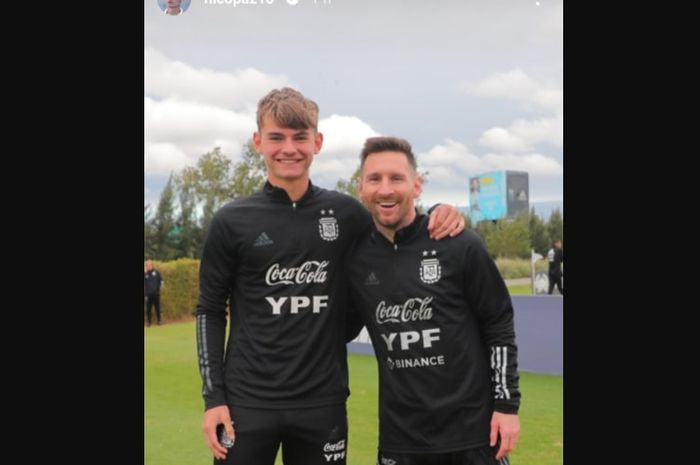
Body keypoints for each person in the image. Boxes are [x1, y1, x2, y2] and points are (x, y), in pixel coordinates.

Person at [195, 88, 466, 465]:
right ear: (258, 142)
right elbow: (209, 309)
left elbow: (398, 224)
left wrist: (441, 210)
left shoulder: (346, 214)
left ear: (317, 142)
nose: (289, 148)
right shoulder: (232, 221)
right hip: (246, 404)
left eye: (300, 137)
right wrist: (214, 398)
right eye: (276, 137)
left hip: (322, 404)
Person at [346, 136, 521, 465]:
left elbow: (498, 324)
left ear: (417, 185)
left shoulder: (458, 243)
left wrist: (506, 406)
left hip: (475, 435)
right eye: (375, 179)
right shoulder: (355, 258)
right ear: (361, 188)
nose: (385, 190)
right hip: (402, 441)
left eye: (397, 178)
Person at [144, 260, 163, 326]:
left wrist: (160, 288)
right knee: (148, 309)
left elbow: (161, 281)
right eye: (147, 265)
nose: (148, 266)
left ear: (152, 265)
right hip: (148, 295)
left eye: (149, 265)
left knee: (157, 308)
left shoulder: (157, 272)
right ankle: (149, 322)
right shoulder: (145, 274)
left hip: (156, 294)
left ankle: (159, 321)